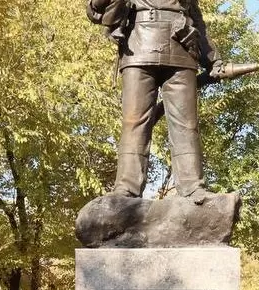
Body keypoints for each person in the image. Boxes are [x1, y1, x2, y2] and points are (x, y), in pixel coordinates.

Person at [86, 0, 215, 198]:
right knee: (134, 121)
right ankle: (126, 188)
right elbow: (95, 11)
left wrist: (214, 59)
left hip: (182, 48)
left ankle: (192, 187)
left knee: (186, 124)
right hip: (139, 47)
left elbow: (197, 20)